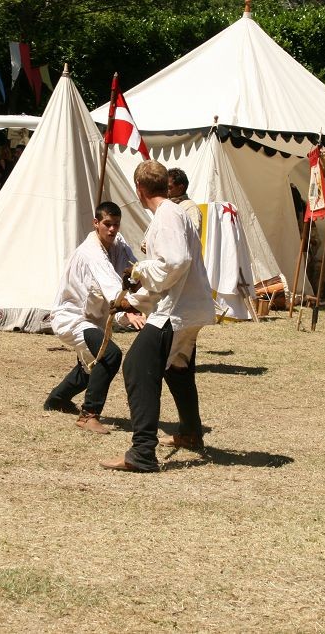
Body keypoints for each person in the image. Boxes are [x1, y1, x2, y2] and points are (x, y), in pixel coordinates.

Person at [100, 160, 215, 473]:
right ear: (165, 184)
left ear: (139, 189)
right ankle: (190, 433)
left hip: (176, 312)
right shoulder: (175, 213)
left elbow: (174, 263)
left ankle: (142, 453)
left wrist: (139, 269)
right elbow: (171, 273)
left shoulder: (167, 215)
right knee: (177, 369)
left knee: (137, 366)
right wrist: (133, 301)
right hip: (185, 307)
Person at [45, 201, 143, 434]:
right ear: (96, 223)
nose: (112, 229)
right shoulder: (90, 253)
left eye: (116, 224)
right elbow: (111, 286)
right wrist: (129, 310)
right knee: (109, 355)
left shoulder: (118, 244)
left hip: (94, 320)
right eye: (107, 224)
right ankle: (88, 415)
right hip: (72, 318)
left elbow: (134, 272)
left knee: (90, 369)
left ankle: (56, 400)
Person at [167, 167, 201, 232]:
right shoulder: (166, 204)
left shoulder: (190, 207)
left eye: (169, 187)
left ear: (180, 188)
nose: (166, 190)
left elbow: (194, 231)